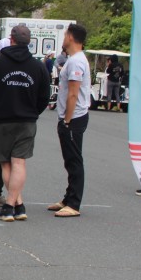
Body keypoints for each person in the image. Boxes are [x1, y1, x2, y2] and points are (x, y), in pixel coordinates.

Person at [0, 24, 50, 222]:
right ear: (29, 42)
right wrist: (33, 112)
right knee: (19, 162)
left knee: (6, 164)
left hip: (3, 120)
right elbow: (45, 96)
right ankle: (18, 205)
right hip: (27, 121)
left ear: (12, 39)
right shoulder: (38, 66)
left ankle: (9, 206)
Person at [49, 23, 90, 218]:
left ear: (71, 37)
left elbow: (73, 93)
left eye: (65, 35)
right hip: (71, 117)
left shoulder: (76, 62)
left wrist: (67, 120)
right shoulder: (74, 59)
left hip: (74, 118)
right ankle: (68, 198)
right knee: (69, 160)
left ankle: (74, 204)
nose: (64, 38)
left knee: (74, 160)